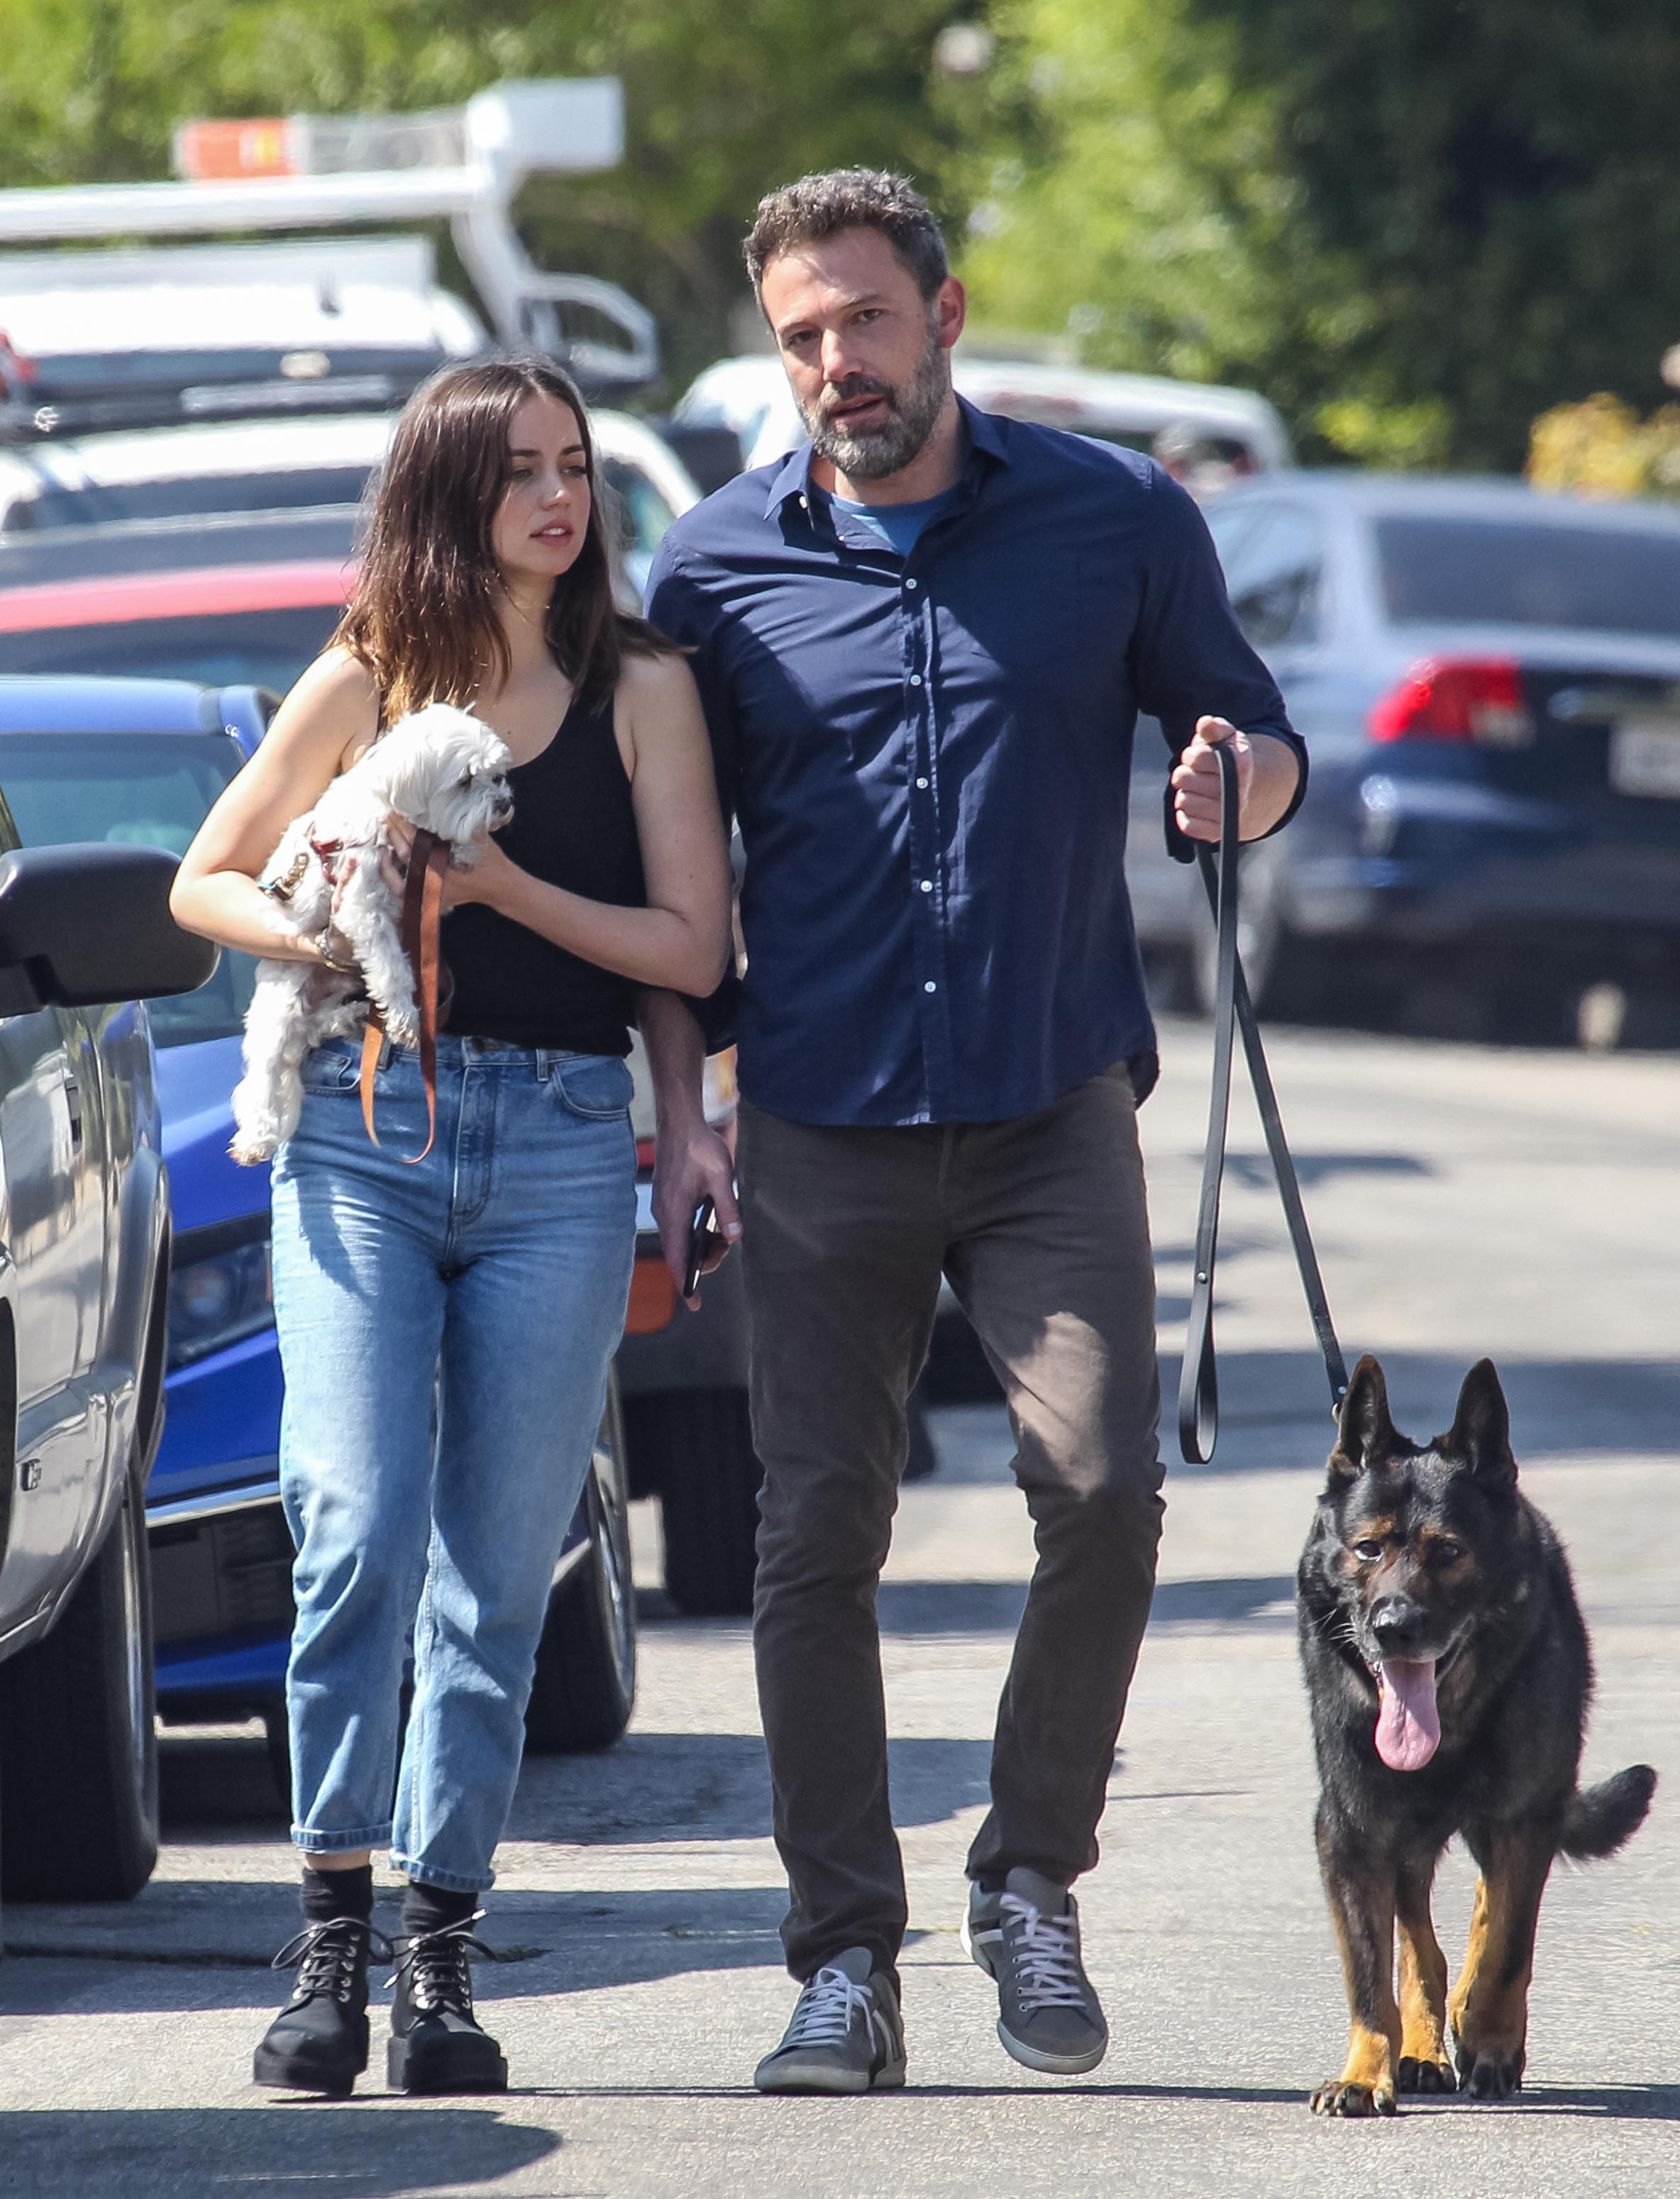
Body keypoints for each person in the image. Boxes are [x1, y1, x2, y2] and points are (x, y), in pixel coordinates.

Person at [640, 170, 1307, 2093]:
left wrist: (1231, 782)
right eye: (799, 338)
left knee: (1103, 1490)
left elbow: (1257, 746)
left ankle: (1029, 1874)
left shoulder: (1117, 521)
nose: (832, 364)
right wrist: (688, 1114)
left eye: (861, 320)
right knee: (813, 1533)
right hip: (824, 1122)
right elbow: (680, 885)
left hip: (1050, 1105)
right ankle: (844, 1954)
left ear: (942, 309)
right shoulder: (710, 571)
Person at [172, 358, 731, 2098]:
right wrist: (324, 927)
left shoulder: (641, 685)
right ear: (445, 492)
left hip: (565, 1145)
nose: (560, 501)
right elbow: (204, 876)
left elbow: (688, 951)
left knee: (498, 1574)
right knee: (349, 1527)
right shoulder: (368, 672)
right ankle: (327, 1933)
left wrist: (495, 893)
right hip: (359, 1131)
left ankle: (441, 1957)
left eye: (574, 470)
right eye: (520, 475)